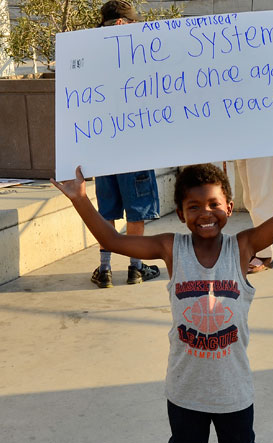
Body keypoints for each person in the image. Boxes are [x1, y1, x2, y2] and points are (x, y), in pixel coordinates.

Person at [50, 140, 273, 443]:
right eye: (194, 207)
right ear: (181, 214)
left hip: (233, 389)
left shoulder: (242, 247)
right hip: (185, 387)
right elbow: (116, 241)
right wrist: (81, 200)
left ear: (229, 206)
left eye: (213, 204)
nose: (204, 214)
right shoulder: (170, 248)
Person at [91, 0, 161, 288]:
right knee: (137, 210)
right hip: (134, 147)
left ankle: (105, 269)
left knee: (107, 210)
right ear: (122, 24)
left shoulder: (89, 53)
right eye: (133, 22)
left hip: (103, 146)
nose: (137, 27)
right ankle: (135, 268)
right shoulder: (139, 56)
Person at [234, 157, 273, 273]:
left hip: (262, 141)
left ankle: (266, 253)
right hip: (245, 140)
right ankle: (259, 247)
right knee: (249, 198)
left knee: (262, 194)